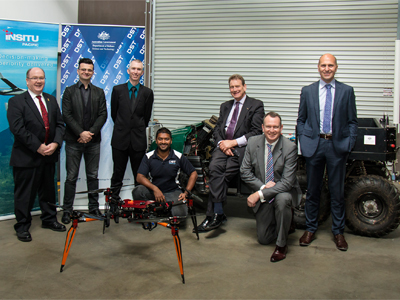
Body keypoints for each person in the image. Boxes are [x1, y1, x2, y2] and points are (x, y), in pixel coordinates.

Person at [297, 53, 358, 251]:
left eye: (330, 65)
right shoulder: (308, 91)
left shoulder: (346, 91)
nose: (327, 68)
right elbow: (301, 119)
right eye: (323, 65)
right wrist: (303, 142)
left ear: (336, 67)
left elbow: (352, 122)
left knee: (337, 192)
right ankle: (310, 229)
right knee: (313, 191)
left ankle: (338, 232)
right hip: (314, 146)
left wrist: (347, 144)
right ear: (318, 67)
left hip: (336, 147)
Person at [195, 74, 264, 232]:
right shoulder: (225, 106)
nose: (234, 90)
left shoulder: (256, 105)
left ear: (244, 87)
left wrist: (233, 143)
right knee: (213, 170)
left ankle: (213, 215)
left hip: (240, 148)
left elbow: (256, 132)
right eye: (232, 87)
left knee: (222, 175)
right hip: (223, 146)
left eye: (237, 86)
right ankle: (218, 214)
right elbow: (218, 128)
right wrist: (222, 143)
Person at [7, 67, 66, 242]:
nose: (38, 81)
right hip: (27, 157)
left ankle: (49, 219)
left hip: (49, 155)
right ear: (27, 81)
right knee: (25, 195)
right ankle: (22, 226)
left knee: (48, 192)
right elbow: (17, 129)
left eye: (41, 78)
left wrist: (55, 144)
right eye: (34, 78)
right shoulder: (16, 101)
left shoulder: (50, 100)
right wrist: (38, 146)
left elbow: (60, 125)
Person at [240, 112, 300, 262]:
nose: (271, 130)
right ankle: (285, 222)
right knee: (264, 239)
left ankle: (281, 245)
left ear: (281, 128)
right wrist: (262, 187)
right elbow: (244, 171)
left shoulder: (290, 147)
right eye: (268, 126)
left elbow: (287, 182)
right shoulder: (253, 142)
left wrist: (259, 195)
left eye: (275, 127)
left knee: (282, 199)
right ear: (262, 127)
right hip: (265, 188)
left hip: (283, 190)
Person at [61, 58, 107, 223]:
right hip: (74, 141)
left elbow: (103, 115)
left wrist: (90, 133)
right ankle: (67, 211)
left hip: (93, 142)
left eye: (89, 70)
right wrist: (80, 133)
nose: (86, 72)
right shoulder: (69, 91)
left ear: (93, 72)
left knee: (93, 176)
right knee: (71, 177)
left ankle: (94, 209)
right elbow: (66, 114)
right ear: (78, 71)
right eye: (83, 69)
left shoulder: (99, 92)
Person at [110, 59, 154, 198]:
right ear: (128, 71)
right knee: (117, 174)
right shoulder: (117, 90)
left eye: (139, 69)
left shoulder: (147, 93)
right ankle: (114, 205)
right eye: (133, 69)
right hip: (120, 140)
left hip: (138, 141)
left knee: (140, 175)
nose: (136, 72)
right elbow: (114, 114)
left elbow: (146, 117)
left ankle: (139, 205)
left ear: (142, 72)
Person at [132, 127, 198, 217]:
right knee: (137, 191)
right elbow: (139, 177)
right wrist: (155, 189)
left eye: (166, 139)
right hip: (153, 192)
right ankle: (153, 210)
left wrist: (186, 192)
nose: (163, 142)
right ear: (156, 141)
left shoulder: (178, 156)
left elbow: (193, 173)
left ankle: (163, 210)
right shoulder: (148, 156)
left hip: (172, 191)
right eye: (160, 139)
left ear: (171, 141)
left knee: (180, 215)